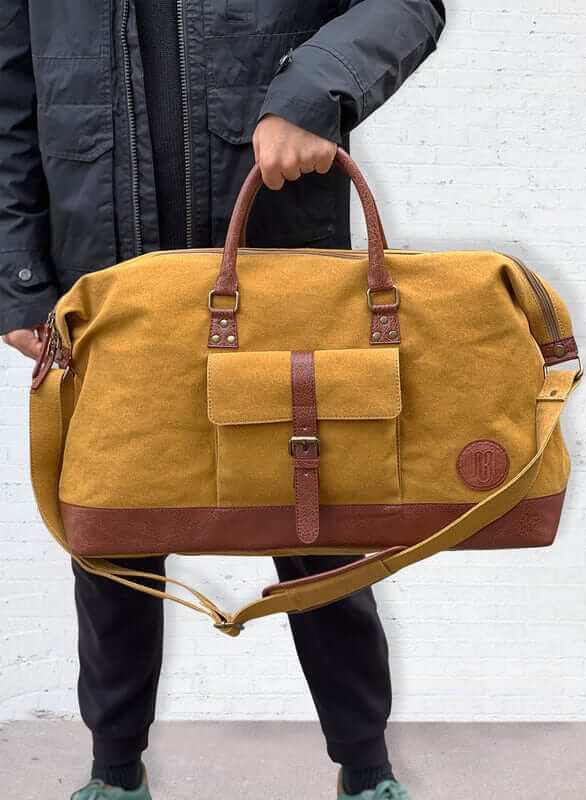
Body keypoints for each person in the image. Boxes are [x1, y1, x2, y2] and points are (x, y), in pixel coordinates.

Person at [0, 2, 445, 797]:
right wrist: (21, 275)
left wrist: (311, 92)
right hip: (104, 275)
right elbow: (9, 98)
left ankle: (367, 771)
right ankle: (114, 774)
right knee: (110, 528)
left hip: (280, 266)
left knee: (318, 522)